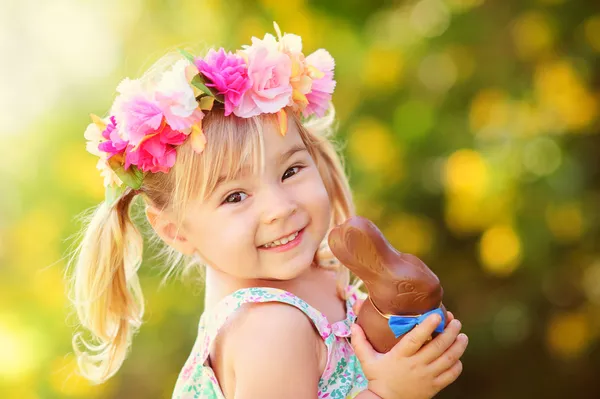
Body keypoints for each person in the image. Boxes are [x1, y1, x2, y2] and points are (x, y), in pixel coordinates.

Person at [68, 22, 468, 399]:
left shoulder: (319, 272)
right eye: (235, 197)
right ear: (176, 232)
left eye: (291, 170)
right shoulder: (270, 329)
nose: (279, 208)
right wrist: (388, 393)